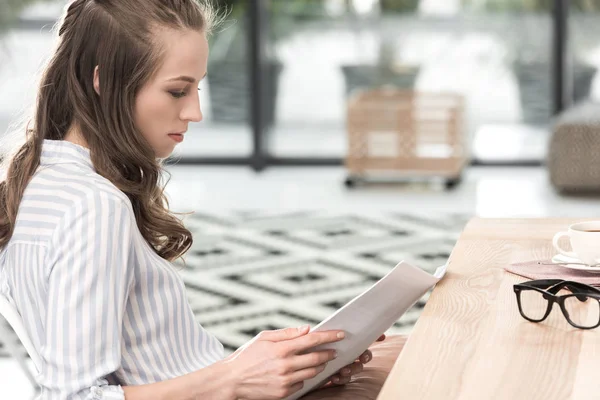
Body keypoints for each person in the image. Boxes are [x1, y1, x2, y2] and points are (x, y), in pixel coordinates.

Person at [0, 1, 406, 399]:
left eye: (197, 88)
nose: (195, 111)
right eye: (178, 91)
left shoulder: (42, 181)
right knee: (434, 353)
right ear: (102, 82)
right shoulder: (93, 206)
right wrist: (233, 379)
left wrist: (257, 368)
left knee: (399, 350)